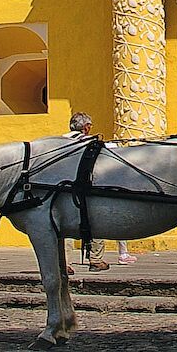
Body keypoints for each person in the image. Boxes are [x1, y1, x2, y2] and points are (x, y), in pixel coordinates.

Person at [65, 114, 135, 270]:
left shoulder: (62, 141)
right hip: (88, 189)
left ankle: (65, 263)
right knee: (95, 222)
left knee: (65, 227)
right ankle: (96, 260)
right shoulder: (92, 142)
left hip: (65, 189)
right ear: (86, 127)